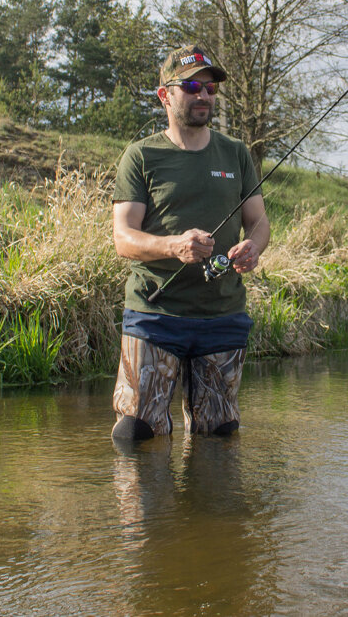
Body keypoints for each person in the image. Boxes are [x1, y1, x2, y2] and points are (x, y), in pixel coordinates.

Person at [110, 43, 269, 441]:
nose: (203, 95)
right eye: (192, 86)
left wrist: (253, 247)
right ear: (165, 94)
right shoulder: (141, 155)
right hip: (154, 314)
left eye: (211, 89)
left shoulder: (235, 154)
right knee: (135, 433)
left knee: (219, 437)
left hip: (222, 315)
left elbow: (259, 222)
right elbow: (123, 238)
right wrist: (173, 246)